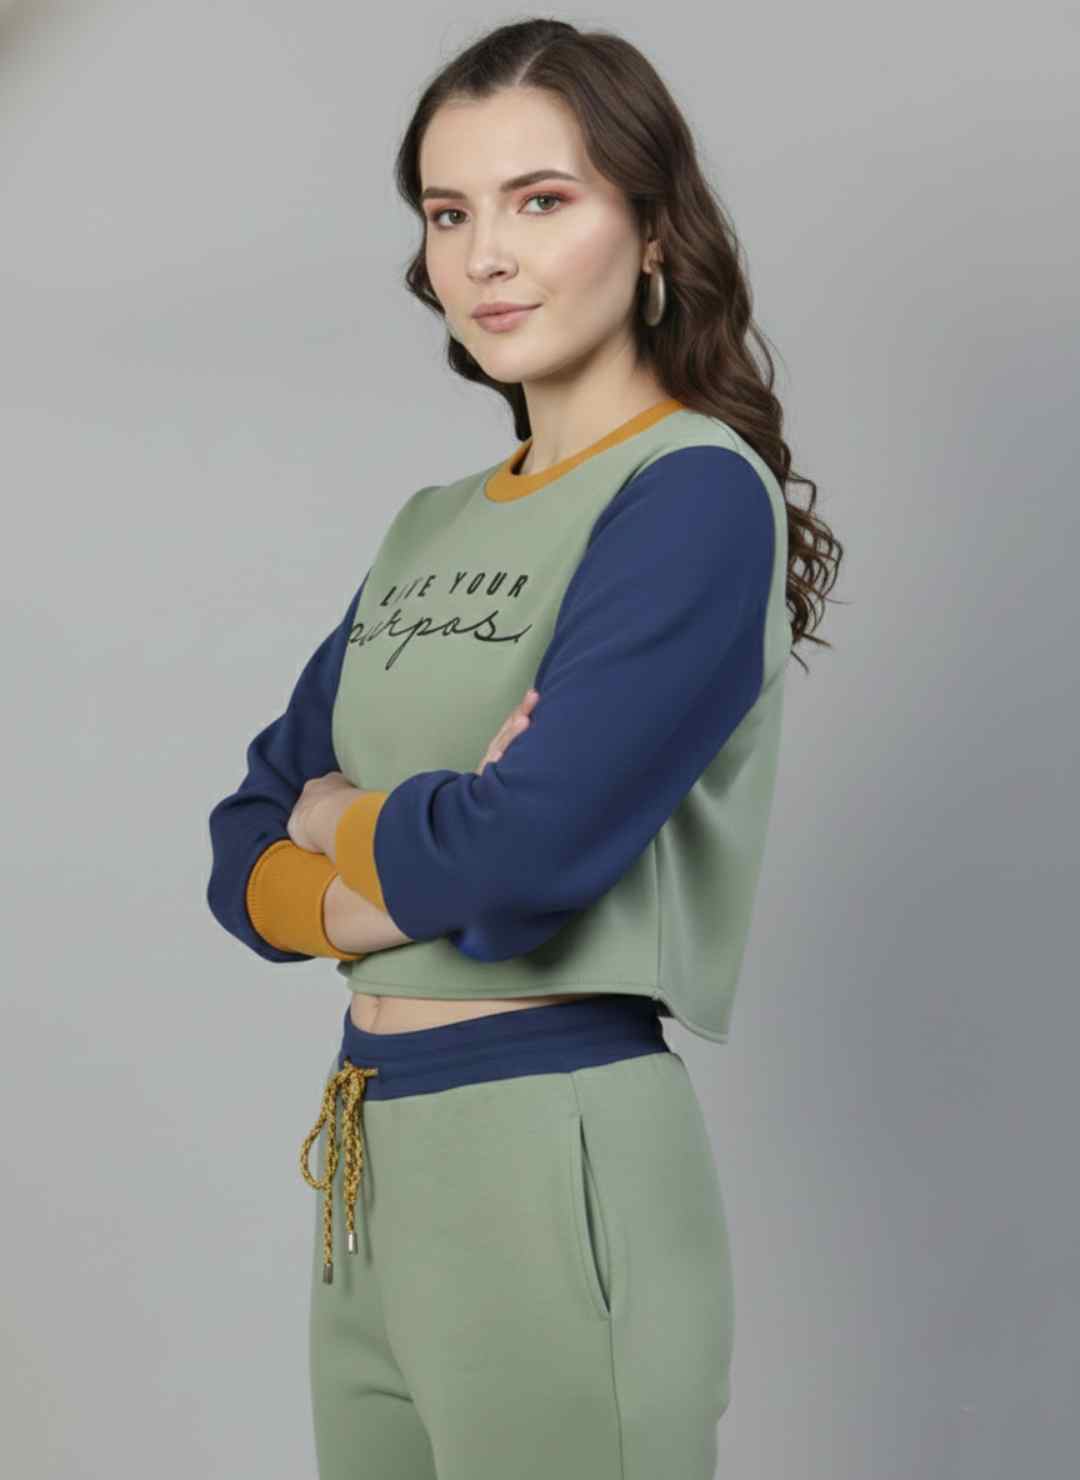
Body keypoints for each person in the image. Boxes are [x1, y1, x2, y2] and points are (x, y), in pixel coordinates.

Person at [206, 17, 842, 1480]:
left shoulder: (691, 495)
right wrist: (414, 847)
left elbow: (525, 860)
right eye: (450, 213)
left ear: (653, 226)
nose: (487, 255)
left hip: (548, 1144)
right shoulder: (429, 526)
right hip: (367, 1160)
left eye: (541, 200)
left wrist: (341, 817)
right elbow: (240, 842)